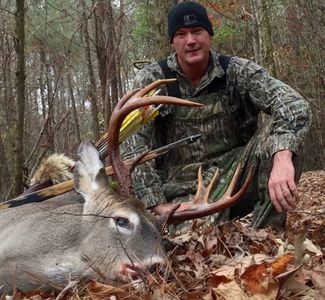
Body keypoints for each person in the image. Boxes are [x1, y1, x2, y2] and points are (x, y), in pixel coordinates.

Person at [122, 1, 311, 230]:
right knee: (194, 239)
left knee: (283, 142)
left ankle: (266, 237)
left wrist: (281, 157)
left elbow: (293, 105)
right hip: (181, 191)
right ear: (172, 41)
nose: (191, 40)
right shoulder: (152, 80)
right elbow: (132, 145)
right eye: (181, 34)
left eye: (197, 31)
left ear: (209, 35)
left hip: (237, 177)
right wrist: (156, 205)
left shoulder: (237, 71)